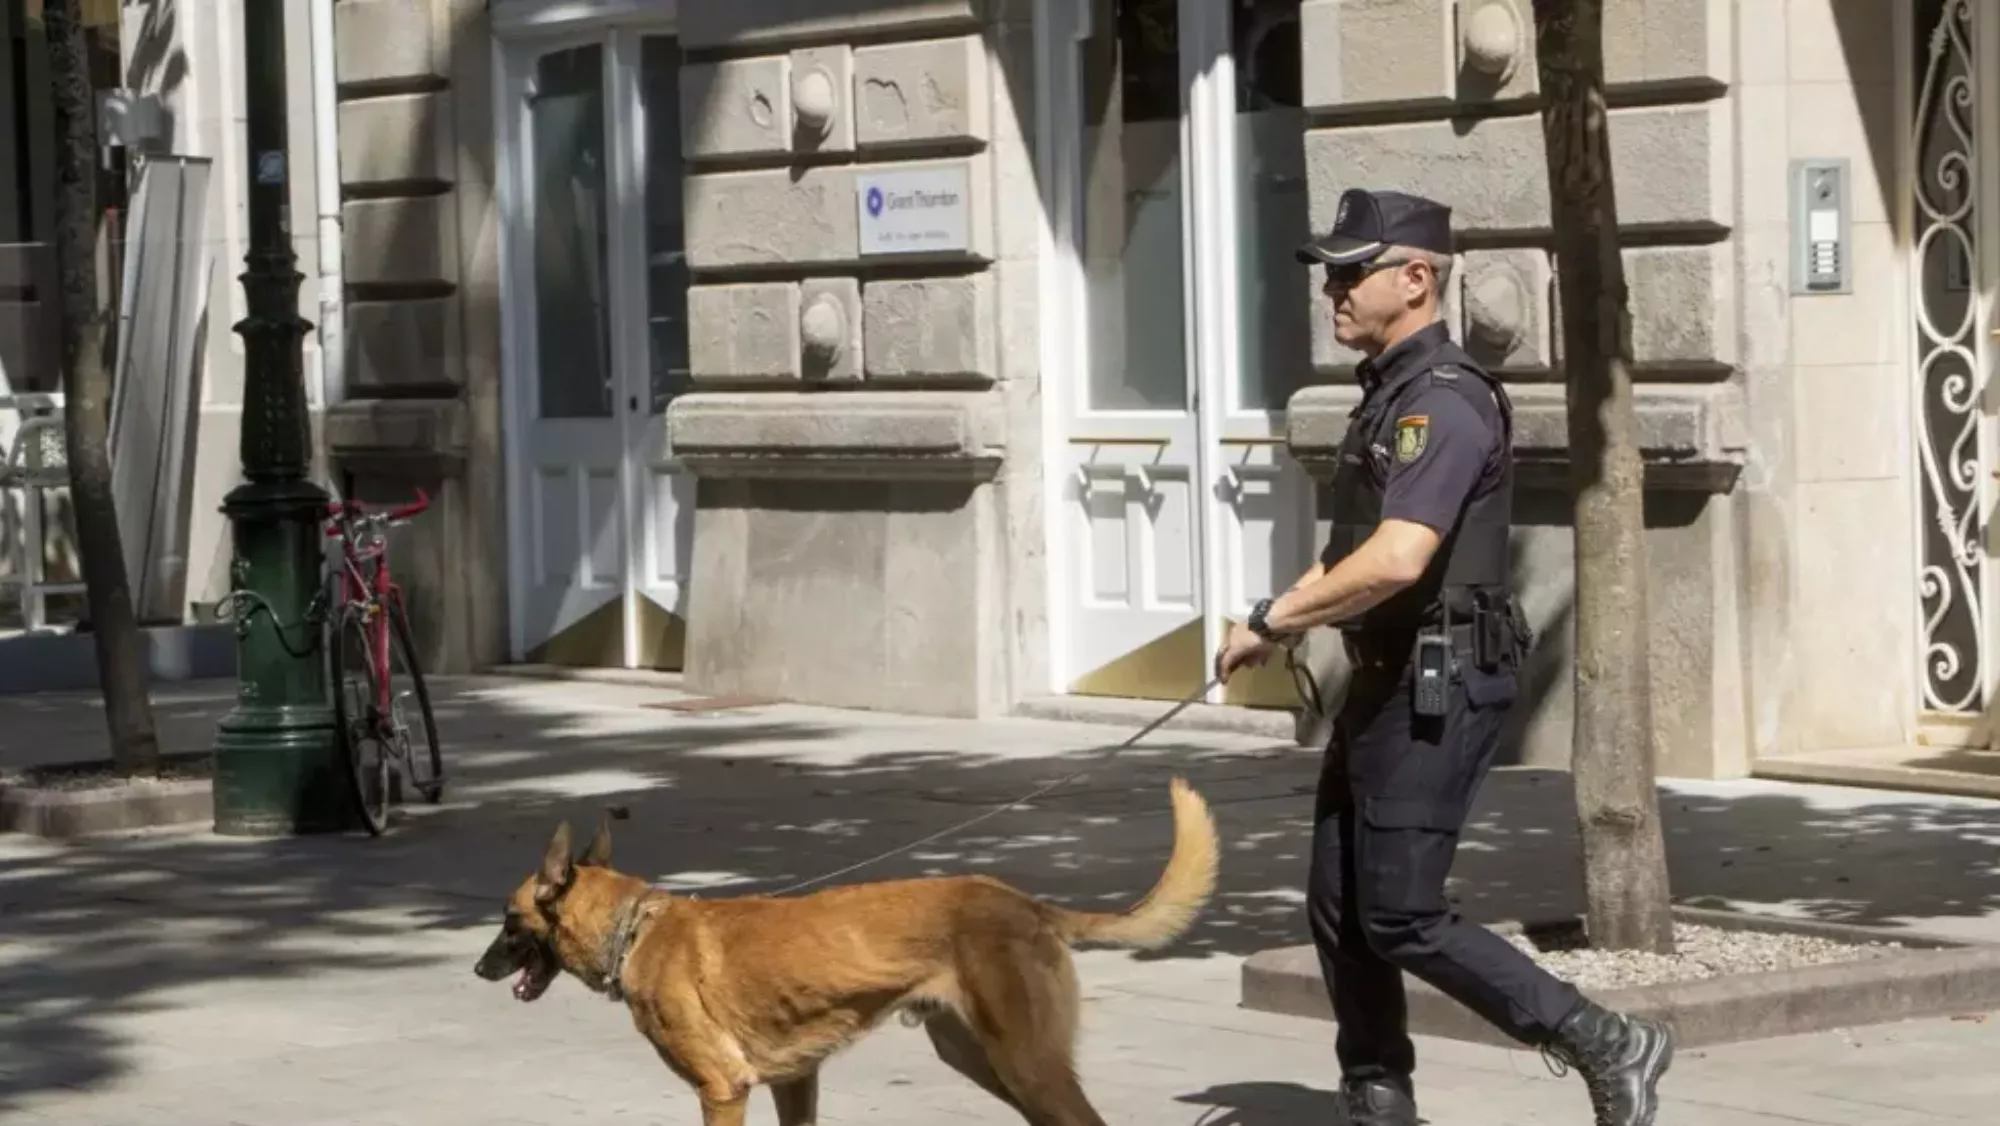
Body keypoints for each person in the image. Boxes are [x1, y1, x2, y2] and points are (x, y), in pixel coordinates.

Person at [1212, 188, 1674, 1126]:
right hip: (1390, 678)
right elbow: (1352, 553)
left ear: (1417, 278)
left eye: (1352, 272)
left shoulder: (1445, 402)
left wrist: (1277, 614)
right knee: (1341, 906)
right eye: (1330, 275)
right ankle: (1377, 1099)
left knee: (1401, 913)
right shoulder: (1389, 395)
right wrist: (1274, 623)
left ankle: (1603, 1038)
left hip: (1442, 684)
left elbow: (1399, 558)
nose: (1334, 291)